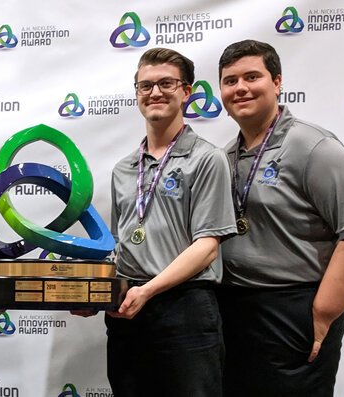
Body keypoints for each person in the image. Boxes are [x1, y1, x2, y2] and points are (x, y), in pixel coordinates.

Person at [216, 39, 344, 397]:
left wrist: (322, 313)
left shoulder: (312, 146)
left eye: (252, 77)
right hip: (234, 310)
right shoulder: (226, 157)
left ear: (277, 82)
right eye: (230, 81)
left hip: (293, 311)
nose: (240, 88)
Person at [105, 48, 237, 396]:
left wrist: (148, 291)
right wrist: (98, 297)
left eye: (166, 83)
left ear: (186, 92)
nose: (155, 93)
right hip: (128, 307)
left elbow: (207, 246)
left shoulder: (208, 159)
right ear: (136, 94)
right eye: (145, 85)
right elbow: (120, 248)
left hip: (185, 310)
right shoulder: (123, 169)